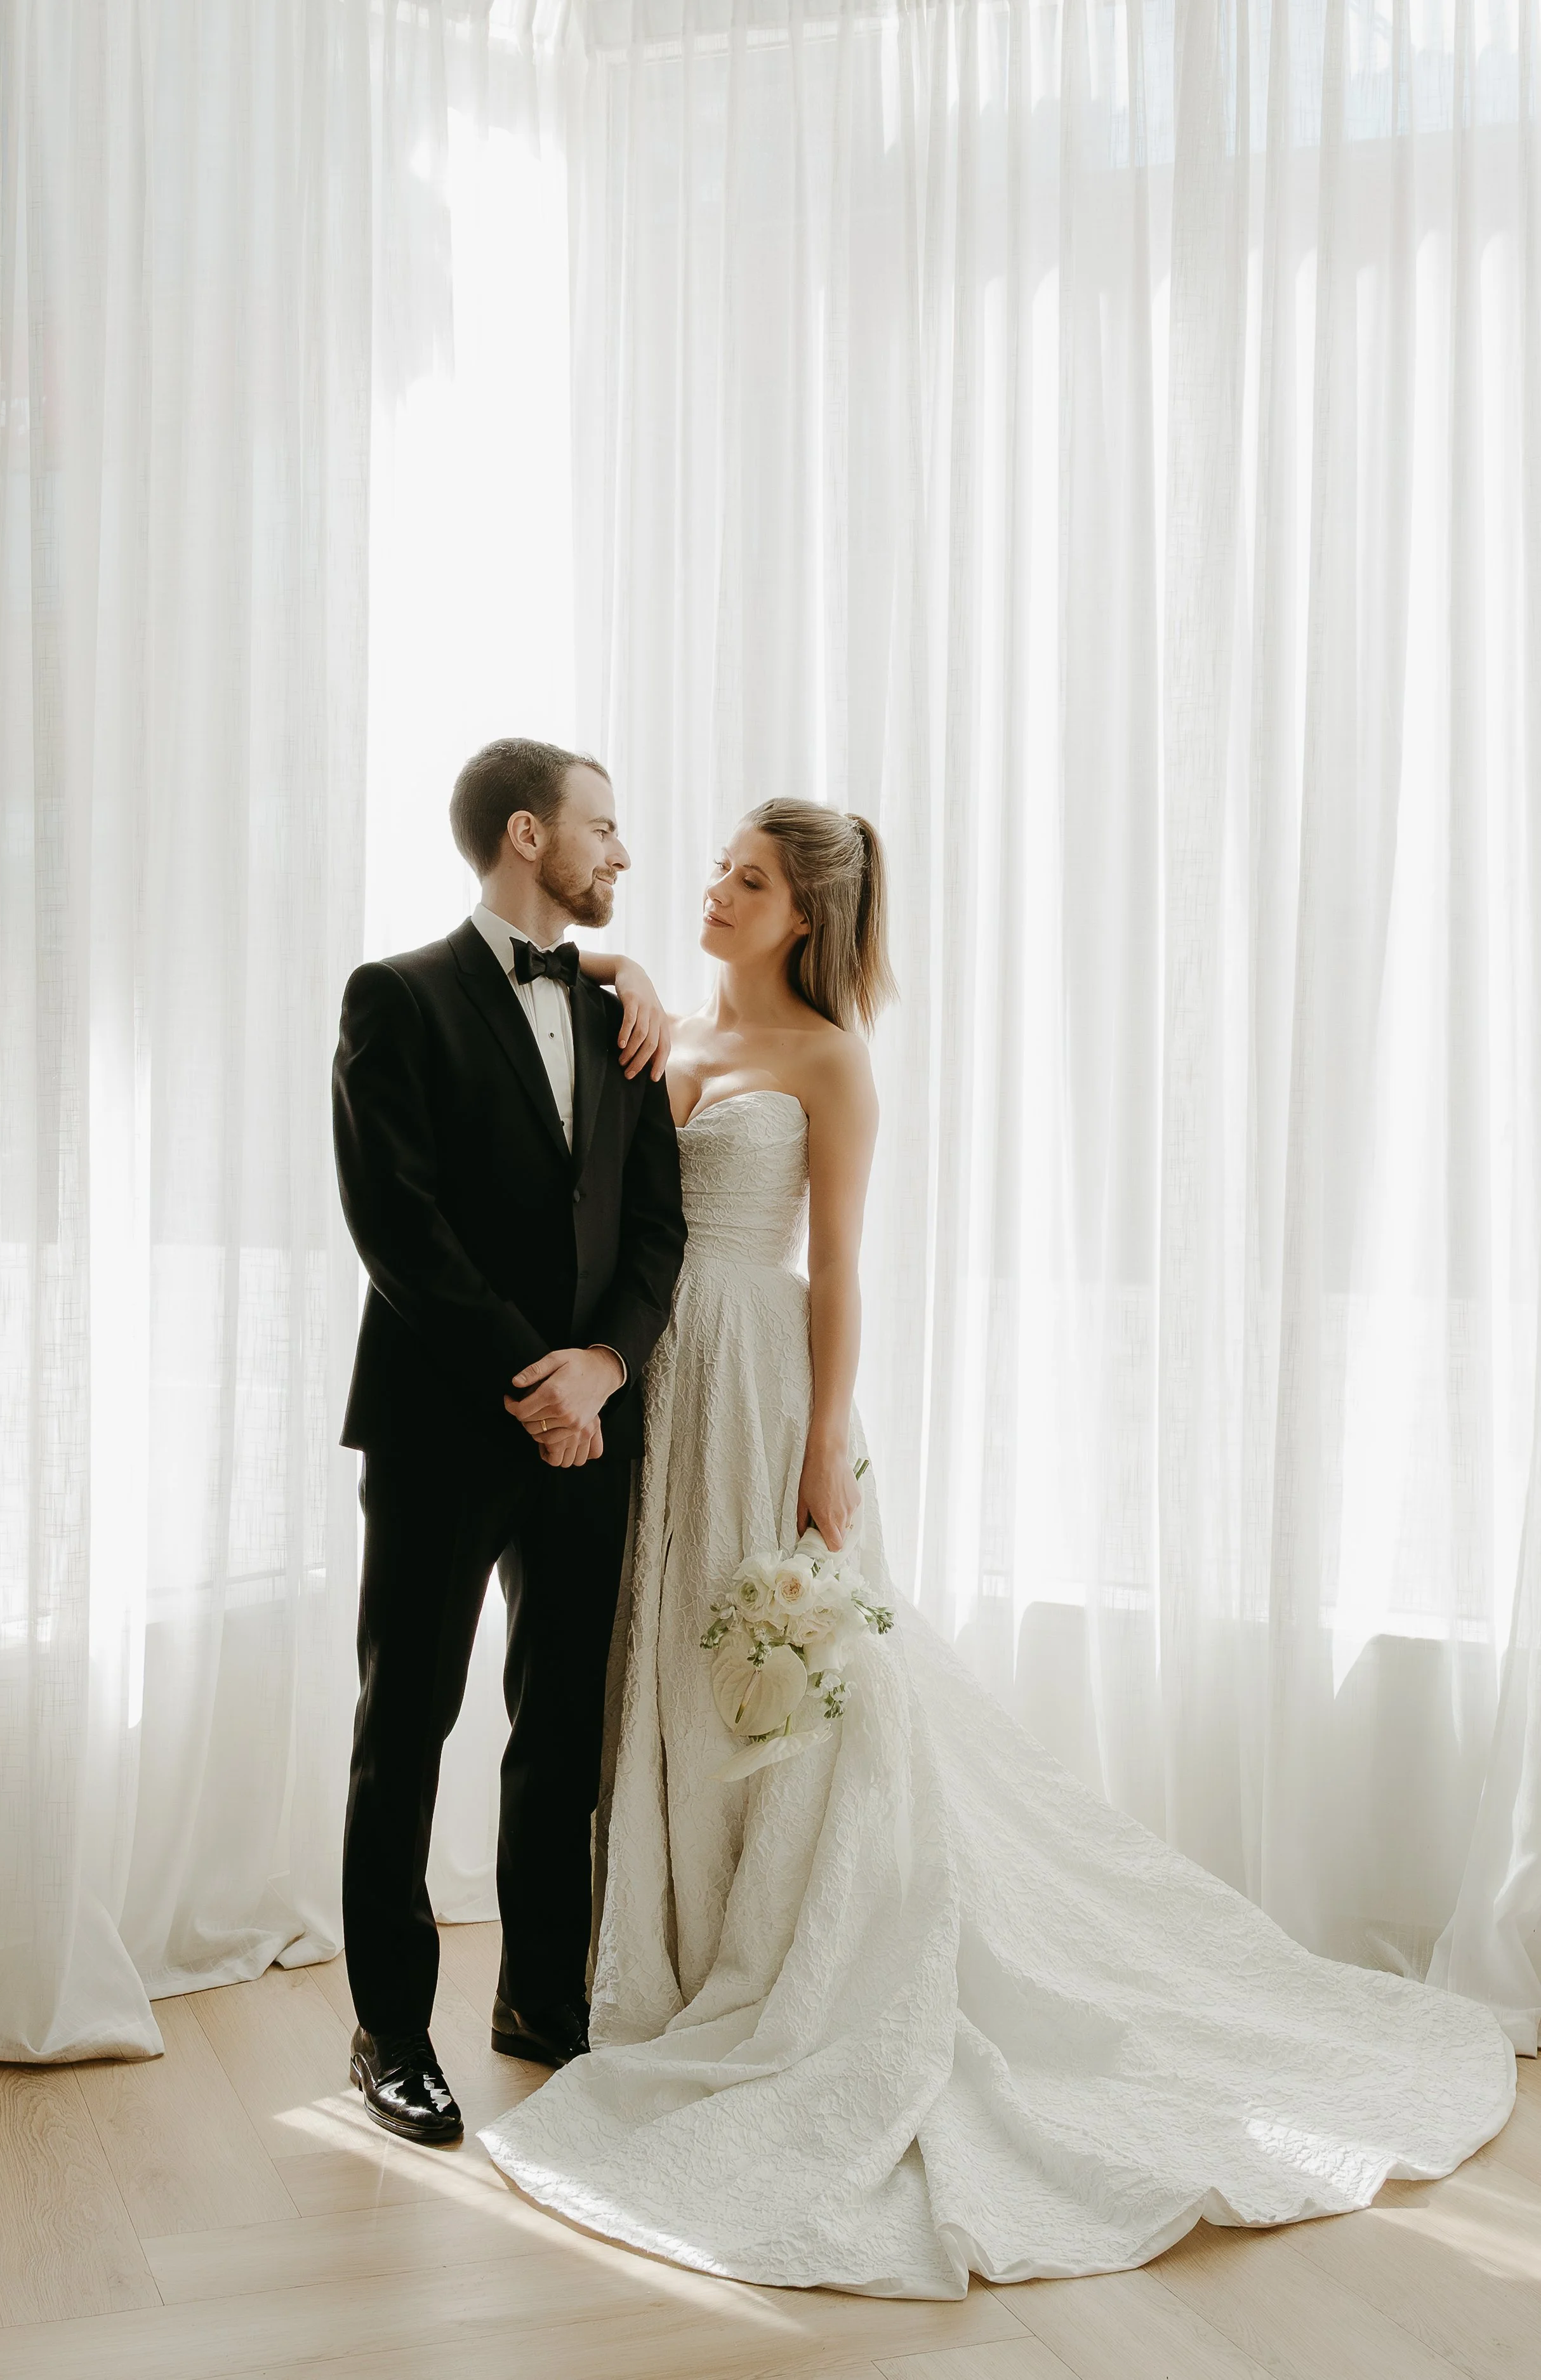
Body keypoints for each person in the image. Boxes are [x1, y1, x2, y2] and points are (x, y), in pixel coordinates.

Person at [483, 798, 1516, 2296]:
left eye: (746, 880)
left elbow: (833, 1267)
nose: (713, 889)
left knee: (784, 1682)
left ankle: (796, 1963)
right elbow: (591, 1078)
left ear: (805, 917)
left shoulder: (828, 1063)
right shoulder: (657, 1022)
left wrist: (823, 1443)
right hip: (657, 1374)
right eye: (713, 868)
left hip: (760, 1374)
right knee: (667, 1665)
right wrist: (628, 978)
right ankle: (680, 1944)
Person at [332, 737, 685, 2145]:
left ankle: (542, 1999)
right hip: (440, 1427)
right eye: (605, 826)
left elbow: (655, 1223)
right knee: (403, 1730)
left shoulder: (622, 1014)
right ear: (529, 834)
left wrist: (600, 1371)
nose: (623, 853)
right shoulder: (396, 997)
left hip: (595, 1430)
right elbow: (393, 1222)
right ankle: (390, 2034)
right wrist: (524, 1381)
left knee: (560, 1730)